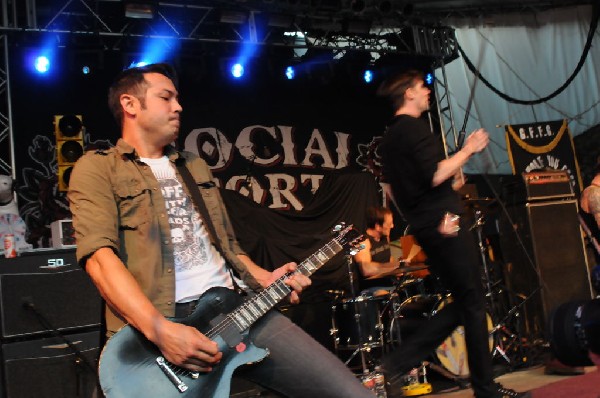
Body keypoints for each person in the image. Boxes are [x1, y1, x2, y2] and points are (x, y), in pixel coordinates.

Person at [67, 63, 374, 398]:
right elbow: (99, 261)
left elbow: (226, 246)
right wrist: (161, 330)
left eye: (178, 98)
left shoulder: (194, 166)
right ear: (130, 105)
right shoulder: (97, 168)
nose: (178, 106)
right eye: (166, 97)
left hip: (234, 310)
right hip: (160, 329)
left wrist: (263, 278)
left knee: (350, 393)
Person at [377, 70, 530, 398]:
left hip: (434, 224)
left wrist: (429, 213)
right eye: (422, 87)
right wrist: (468, 149)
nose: (428, 92)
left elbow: (398, 190)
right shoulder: (413, 130)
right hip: (445, 223)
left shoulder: (390, 139)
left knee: (467, 302)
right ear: (408, 94)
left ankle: (406, 366)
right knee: (471, 302)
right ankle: (480, 388)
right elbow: (434, 176)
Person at [353, 206, 402, 296]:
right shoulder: (362, 242)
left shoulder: (385, 237)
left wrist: (402, 266)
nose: (392, 226)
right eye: (389, 224)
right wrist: (394, 266)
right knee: (384, 294)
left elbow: (389, 258)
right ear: (378, 226)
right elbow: (366, 269)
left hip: (389, 284)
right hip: (372, 289)